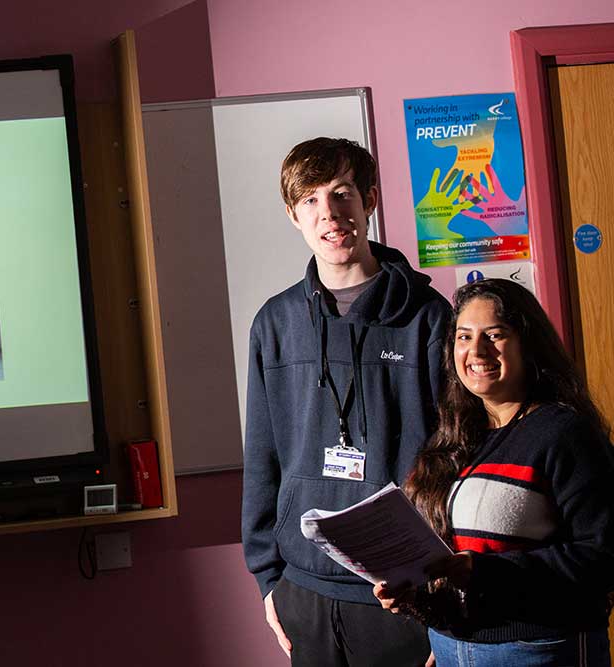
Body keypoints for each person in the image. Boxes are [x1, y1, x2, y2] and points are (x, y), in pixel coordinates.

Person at [241, 137, 452, 666]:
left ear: (370, 200)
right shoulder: (276, 323)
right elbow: (262, 457)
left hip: (404, 592)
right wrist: (269, 580)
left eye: (341, 194)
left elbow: (456, 451)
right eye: (310, 200)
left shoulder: (427, 318)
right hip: (303, 591)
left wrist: (445, 596)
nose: (329, 214)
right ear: (293, 215)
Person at [374, 278, 614, 666]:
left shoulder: (563, 433)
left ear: (527, 343)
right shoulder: (454, 435)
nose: (476, 350)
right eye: (464, 337)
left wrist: (485, 572)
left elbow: (602, 555)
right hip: (452, 646)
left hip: (538, 648)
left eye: (495, 335)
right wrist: (412, 595)